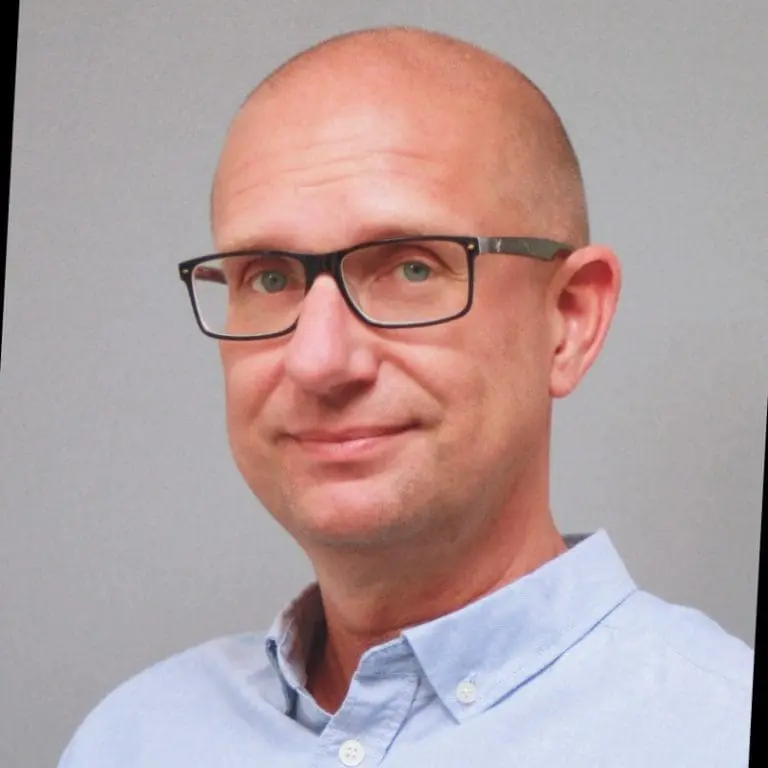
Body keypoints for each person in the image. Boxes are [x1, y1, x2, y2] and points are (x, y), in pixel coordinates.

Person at [58, 26, 753, 767]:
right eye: (269, 277)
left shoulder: (718, 735)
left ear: (568, 320)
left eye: (412, 268)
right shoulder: (130, 739)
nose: (319, 361)